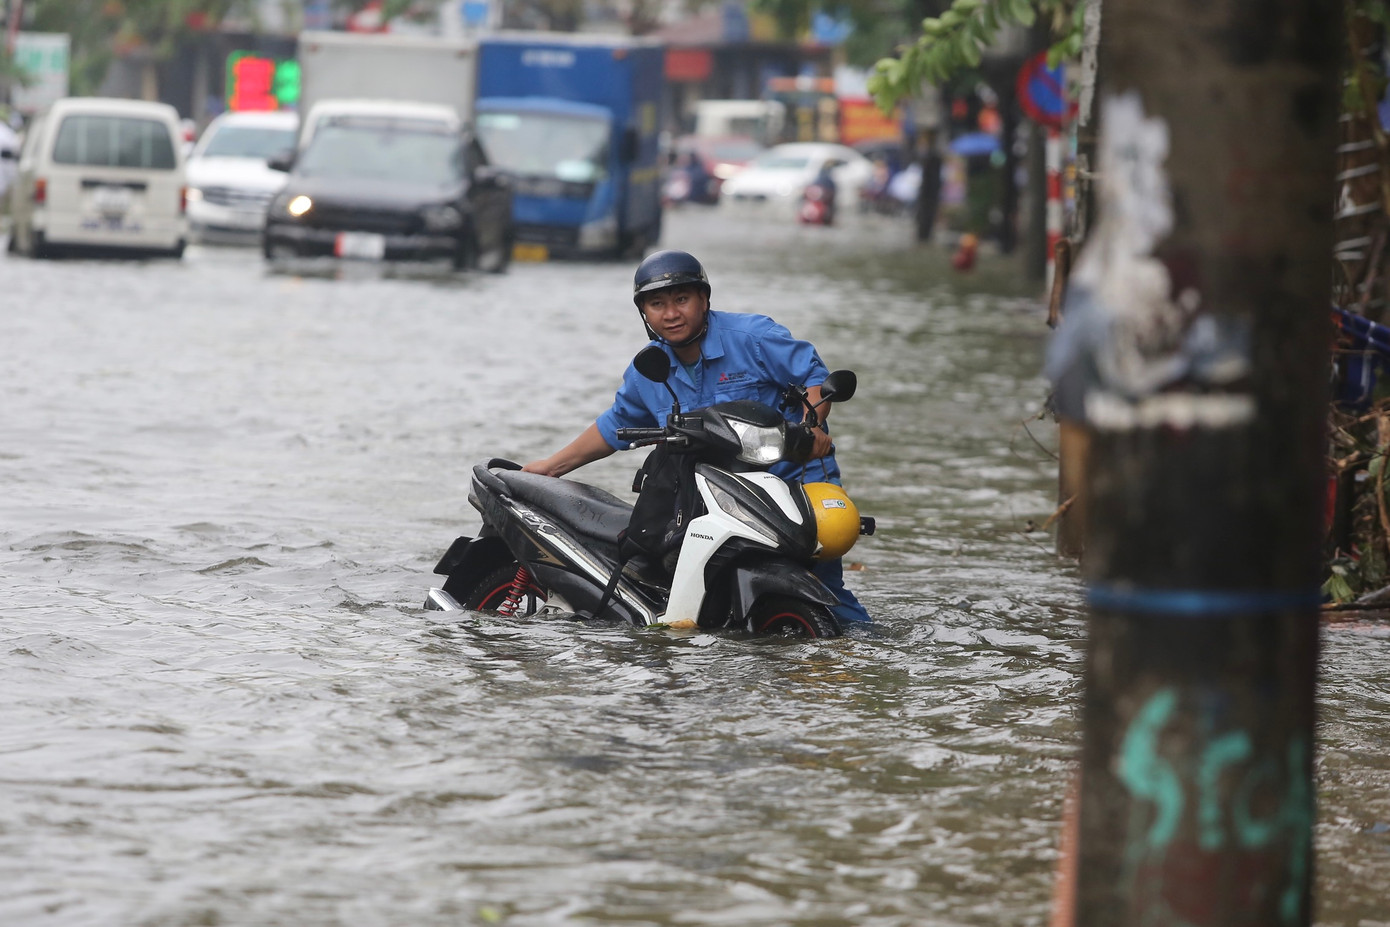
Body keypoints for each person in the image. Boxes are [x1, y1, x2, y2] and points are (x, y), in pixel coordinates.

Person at [524, 249, 871, 625]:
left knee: (831, 596)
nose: (671, 314)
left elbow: (815, 380)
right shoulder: (648, 370)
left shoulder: (754, 337)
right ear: (645, 313)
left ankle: (856, 657)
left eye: (682, 299)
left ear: (704, 300)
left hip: (795, 485)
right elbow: (615, 425)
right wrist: (550, 466)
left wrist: (813, 426)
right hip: (717, 502)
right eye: (657, 304)